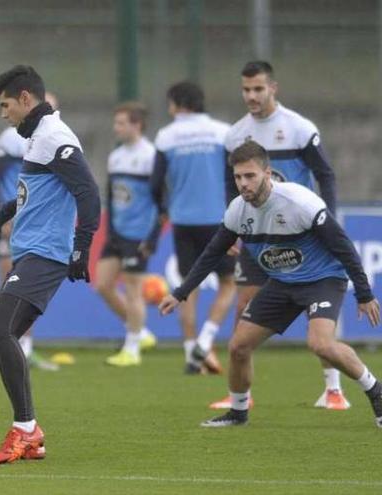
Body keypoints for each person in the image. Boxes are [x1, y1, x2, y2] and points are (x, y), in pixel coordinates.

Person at [159, 141, 382, 428]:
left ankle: (375, 390)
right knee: (238, 346)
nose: (243, 184)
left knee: (321, 344)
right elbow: (212, 254)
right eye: (238, 177)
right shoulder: (238, 211)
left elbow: (343, 247)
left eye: (250, 176)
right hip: (282, 283)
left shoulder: (300, 202)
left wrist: (364, 294)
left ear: (267, 173)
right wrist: (180, 293)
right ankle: (238, 413)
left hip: (322, 280)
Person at [209, 60, 346, 410]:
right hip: (259, 236)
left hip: (301, 235)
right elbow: (231, 185)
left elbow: (325, 174)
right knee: (245, 306)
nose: (251, 96)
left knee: (316, 316)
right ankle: (242, 395)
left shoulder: (299, 128)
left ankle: (333, 388)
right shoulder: (235, 134)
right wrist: (236, 226)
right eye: (246, 90)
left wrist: (327, 216)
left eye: (258, 89)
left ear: (273, 88)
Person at [0, 65, 100, 463]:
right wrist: (0, 217)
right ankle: (29, 431)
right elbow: (31, 194)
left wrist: (81, 248)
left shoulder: (55, 137)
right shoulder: (37, 138)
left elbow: (89, 193)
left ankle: (26, 430)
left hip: (46, 254)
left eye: (5, 105)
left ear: (26, 99)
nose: (3, 114)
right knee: (3, 337)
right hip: (30, 251)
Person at [150, 81, 234, 374]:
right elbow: (233, 176)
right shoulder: (222, 132)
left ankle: (190, 353)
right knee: (229, 282)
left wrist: (163, 210)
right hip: (218, 220)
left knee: (187, 287)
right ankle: (207, 339)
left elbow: (155, 183)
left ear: (177, 103)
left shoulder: (166, 136)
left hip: (183, 220)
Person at [0, 92, 62, 372]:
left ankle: (20, 345)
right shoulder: (11, 138)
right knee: (9, 282)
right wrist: (2, 216)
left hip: (34, 223)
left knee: (21, 285)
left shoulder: (51, 138)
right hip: (12, 222)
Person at [97, 102, 159, 367]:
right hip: (117, 233)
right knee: (103, 285)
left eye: (122, 123)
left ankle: (132, 348)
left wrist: (152, 237)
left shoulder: (150, 156)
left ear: (137, 125)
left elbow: (160, 200)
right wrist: (109, 228)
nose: (117, 128)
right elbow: (111, 196)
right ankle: (140, 331)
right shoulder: (116, 156)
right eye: (116, 122)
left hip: (139, 234)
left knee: (133, 291)